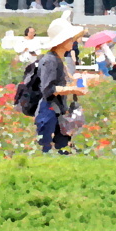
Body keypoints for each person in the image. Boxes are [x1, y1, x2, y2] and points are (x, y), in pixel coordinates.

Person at [35, 18, 86, 154]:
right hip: (49, 112)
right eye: (69, 39)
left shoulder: (58, 60)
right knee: (47, 151)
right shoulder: (50, 61)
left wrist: (74, 80)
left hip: (57, 110)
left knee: (61, 150)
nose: (72, 41)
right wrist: (73, 89)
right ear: (61, 41)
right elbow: (48, 89)